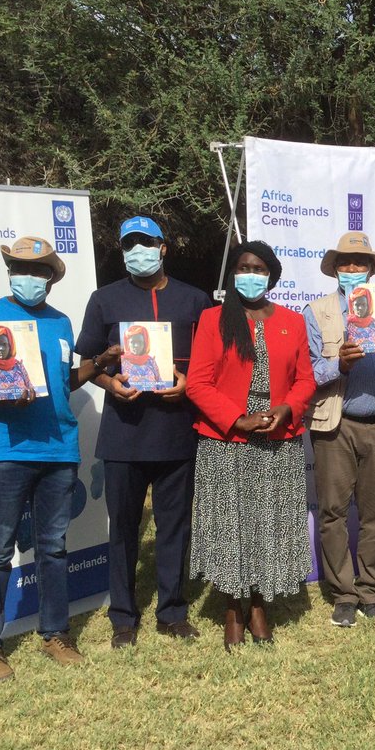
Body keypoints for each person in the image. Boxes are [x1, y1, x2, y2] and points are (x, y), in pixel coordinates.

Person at [0, 236, 121, 682]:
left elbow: (63, 380)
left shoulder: (61, 322)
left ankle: (55, 634)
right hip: (6, 451)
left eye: (40, 271)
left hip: (59, 449)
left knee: (53, 547)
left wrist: (98, 361)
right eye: (22, 269)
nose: (31, 278)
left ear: (51, 277)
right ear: (10, 272)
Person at [75, 216, 212, 649]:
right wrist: (109, 383)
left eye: (146, 243)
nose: (138, 251)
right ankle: (123, 617)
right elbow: (88, 364)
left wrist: (189, 385)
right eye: (129, 245)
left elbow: (210, 362)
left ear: (163, 247)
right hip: (124, 433)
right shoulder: (104, 299)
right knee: (124, 529)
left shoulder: (195, 300)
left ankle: (172, 611)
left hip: (177, 433)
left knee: (175, 526)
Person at [186, 240, 317, 649]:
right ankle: (231, 606)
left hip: (277, 438)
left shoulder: (292, 322)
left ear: (271, 276)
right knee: (230, 526)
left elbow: (305, 380)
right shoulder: (213, 319)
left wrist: (286, 409)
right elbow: (198, 383)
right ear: (233, 274)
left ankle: (259, 603)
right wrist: (236, 418)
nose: (250, 274)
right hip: (227, 439)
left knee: (267, 523)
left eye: (259, 268)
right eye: (243, 267)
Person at [303, 231, 375, 628]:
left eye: (360, 263)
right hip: (334, 427)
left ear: (371, 269)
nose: (353, 269)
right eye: (345, 263)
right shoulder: (317, 311)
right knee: (333, 513)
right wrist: (341, 364)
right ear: (334, 269)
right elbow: (306, 374)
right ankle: (343, 593)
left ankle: (371, 588)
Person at [0, 324, 34, 398]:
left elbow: (30, 386)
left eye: (4, 344)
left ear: (10, 346)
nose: (1, 348)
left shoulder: (18, 365)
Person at [121, 323, 164, 388]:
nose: (136, 345)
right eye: (133, 342)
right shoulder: (122, 361)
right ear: (128, 343)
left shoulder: (150, 361)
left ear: (145, 343)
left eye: (139, 342)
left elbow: (159, 381)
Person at [345, 285, 375, 349]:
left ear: (368, 306)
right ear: (352, 306)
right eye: (357, 305)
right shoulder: (347, 324)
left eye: (363, 304)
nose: (360, 308)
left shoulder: (374, 323)